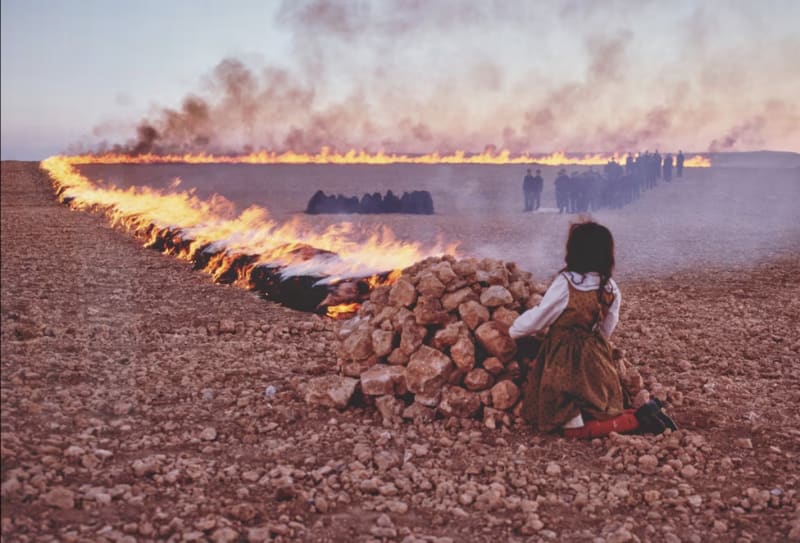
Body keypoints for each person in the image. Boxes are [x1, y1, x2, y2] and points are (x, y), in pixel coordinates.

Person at [509, 222, 676, 438]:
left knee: (569, 424)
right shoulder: (610, 287)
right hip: (597, 359)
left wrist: (513, 331)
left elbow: (540, 317)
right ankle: (642, 413)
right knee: (597, 408)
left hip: (563, 360)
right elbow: (607, 327)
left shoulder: (566, 283)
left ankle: (636, 420)